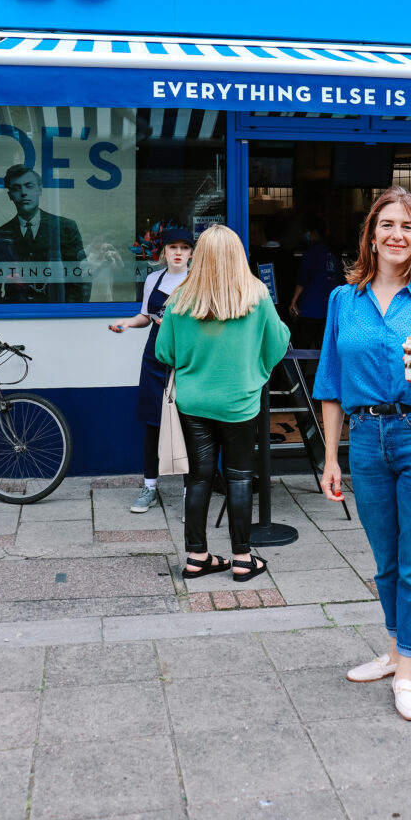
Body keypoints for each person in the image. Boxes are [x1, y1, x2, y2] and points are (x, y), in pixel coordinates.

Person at [314, 186, 411, 722]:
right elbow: (331, 383)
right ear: (372, 234)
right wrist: (330, 458)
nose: (397, 235)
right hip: (365, 439)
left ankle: (406, 669)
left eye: (408, 226)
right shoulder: (344, 300)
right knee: (385, 563)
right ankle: (395, 650)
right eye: (387, 225)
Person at [155, 224, 290, 581]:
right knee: (240, 477)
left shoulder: (180, 298)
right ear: (237, 255)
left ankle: (197, 557)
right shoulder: (257, 296)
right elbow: (278, 345)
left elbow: (163, 352)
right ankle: (243, 559)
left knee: (197, 478)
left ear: (200, 257)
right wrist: (254, 369)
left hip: (194, 402)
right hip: (240, 402)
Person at [109, 228, 194, 512]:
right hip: (155, 358)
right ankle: (149, 487)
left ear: (192, 253)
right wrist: (127, 323)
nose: (179, 252)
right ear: (164, 252)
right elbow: (146, 316)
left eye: (184, 247)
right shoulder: (153, 279)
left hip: (187, 359)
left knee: (189, 426)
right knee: (152, 425)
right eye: (173, 247)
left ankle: (189, 494)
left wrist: (174, 325)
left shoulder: (198, 281)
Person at [0, 165, 87, 304]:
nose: (24, 193)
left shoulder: (65, 228)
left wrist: (68, 313)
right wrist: (3, 316)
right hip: (15, 316)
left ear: (39, 190)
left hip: (56, 312)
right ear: (10, 195)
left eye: (29, 186)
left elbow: (78, 279)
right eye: (16, 188)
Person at [289, 220, 345, 349]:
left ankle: (301, 370)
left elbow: (303, 278)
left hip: (311, 308)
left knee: (301, 348)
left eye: (309, 232)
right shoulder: (334, 251)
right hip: (330, 308)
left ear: (314, 233)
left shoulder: (312, 251)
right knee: (325, 350)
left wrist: (294, 301)